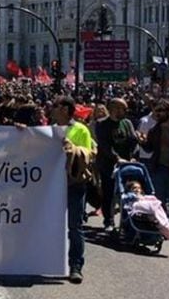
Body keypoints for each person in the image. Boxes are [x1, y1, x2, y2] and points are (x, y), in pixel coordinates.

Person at [54, 95, 94, 284]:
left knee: (75, 226)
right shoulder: (49, 130)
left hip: (74, 185)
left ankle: (75, 265)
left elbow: (87, 156)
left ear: (64, 109)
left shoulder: (81, 129)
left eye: (55, 106)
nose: (51, 109)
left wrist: (72, 148)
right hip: (51, 186)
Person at [136, 99, 169, 229]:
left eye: (161, 111)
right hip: (159, 168)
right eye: (157, 111)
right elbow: (149, 149)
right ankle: (162, 226)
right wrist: (142, 141)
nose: (158, 114)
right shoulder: (155, 129)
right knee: (159, 200)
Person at [95, 98, 138, 232]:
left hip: (126, 165)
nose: (123, 111)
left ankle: (127, 221)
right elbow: (104, 145)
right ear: (112, 109)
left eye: (124, 109)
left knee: (128, 194)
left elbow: (133, 140)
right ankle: (108, 220)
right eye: (120, 108)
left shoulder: (127, 123)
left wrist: (134, 156)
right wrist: (116, 158)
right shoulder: (102, 124)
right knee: (109, 193)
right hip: (109, 165)